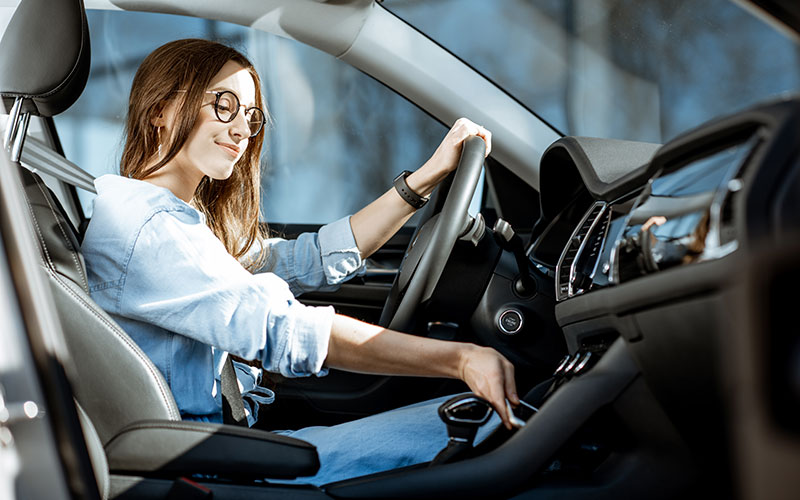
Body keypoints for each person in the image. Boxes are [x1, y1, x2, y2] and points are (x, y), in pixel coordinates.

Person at [81, 38, 518, 485]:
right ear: (160, 109)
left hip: (226, 450)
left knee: (477, 427)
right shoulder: (151, 226)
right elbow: (287, 332)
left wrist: (422, 181)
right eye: (225, 104)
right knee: (493, 429)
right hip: (208, 470)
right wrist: (460, 359)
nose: (241, 131)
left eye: (251, 117)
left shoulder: (173, 220)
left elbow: (305, 259)